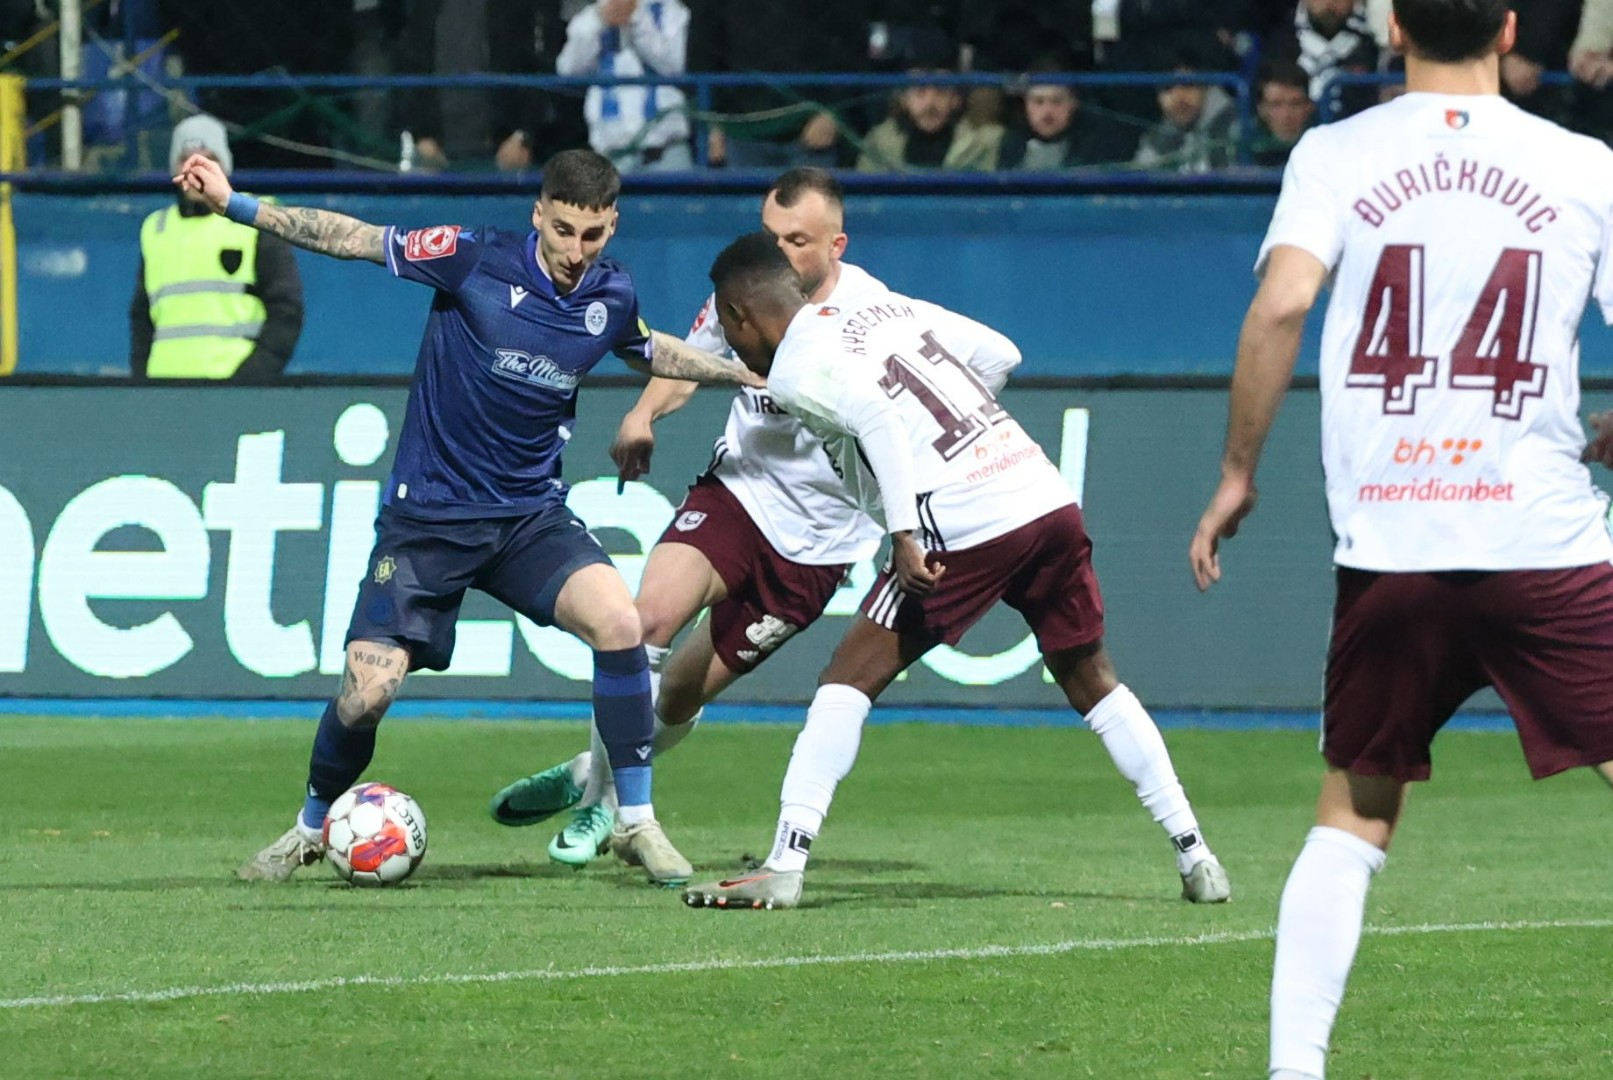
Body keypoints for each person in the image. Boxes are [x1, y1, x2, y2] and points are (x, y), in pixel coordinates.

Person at [1187, 3, 1613, 1077]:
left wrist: (1236, 473)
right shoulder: (1583, 165)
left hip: (1392, 547)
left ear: (1390, 27)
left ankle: (1293, 1070)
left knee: (1352, 814)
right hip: (1543, 543)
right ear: (1508, 29)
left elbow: (1280, 307)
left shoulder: (1334, 152)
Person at [172, 147, 761, 888]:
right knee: (366, 696)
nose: (576, 251)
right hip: (429, 521)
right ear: (537, 215)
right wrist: (235, 203)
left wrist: (741, 373)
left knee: (620, 623)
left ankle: (635, 821)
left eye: (592, 235)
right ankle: (309, 828)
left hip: (527, 520)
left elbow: (646, 348)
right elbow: (354, 238)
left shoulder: (610, 293)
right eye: (563, 230)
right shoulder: (470, 257)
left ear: (611, 227)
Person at [682, 232, 1232, 911]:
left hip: (961, 521)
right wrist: (963, 444)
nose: (735, 350)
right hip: (1040, 492)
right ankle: (1196, 856)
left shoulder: (795, 365)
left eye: (728, 331)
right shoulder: (884, 309)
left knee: (846, 679)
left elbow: (877, 418)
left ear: (738, 315)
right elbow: (1001, 355)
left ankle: (784, 864)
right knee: (1092, 676)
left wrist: (904, 531)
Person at [486, 167, 888, 866]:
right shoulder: (745, 292)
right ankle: (603, 808)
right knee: (643, 625)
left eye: (798, 241)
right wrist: (643, 414)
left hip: (816, 546)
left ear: (837, 246)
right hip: (738, 494)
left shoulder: (871, 320)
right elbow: (690, 361)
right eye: (772, 236)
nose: (779, 252)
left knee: (673, 700)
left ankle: (589, 771)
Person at [131, 115, 303, 381]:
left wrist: (249, 381)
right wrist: (142, 384)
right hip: (162, 390)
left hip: (233, 392)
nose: (197, 172)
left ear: (224, 166)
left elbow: (286, 312)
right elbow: (142, 319)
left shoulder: (257, 219)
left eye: (208, 161)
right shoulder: (155, 228)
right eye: (187, 161)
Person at [556, 0, 693, 173]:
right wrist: (598, 22)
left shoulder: (670, 11)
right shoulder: (590, 17)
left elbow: (675, 67)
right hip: (611, 155)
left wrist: (637, 19)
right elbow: (568, 71)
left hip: (665, 152)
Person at [857, 65, 1004, 173]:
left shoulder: (985, 142)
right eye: (920, 91)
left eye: (941, 92)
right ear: (904, 99)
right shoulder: (879, 142)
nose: (930, 103)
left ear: (955, 99)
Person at [1131, 64, 1238, 173]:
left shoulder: (1236, 126)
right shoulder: (1159, 137)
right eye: (1167, 88)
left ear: (1206, 87)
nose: (1179, 98)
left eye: (1188, 85)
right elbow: (1140, 176)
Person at [1250, 60, 1317, 168]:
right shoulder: (1243, 147)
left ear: (1309, 107)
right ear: (1261, 109)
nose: (1287, 115)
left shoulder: (1327, 146)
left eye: (1296, 104)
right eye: (1276, 105)